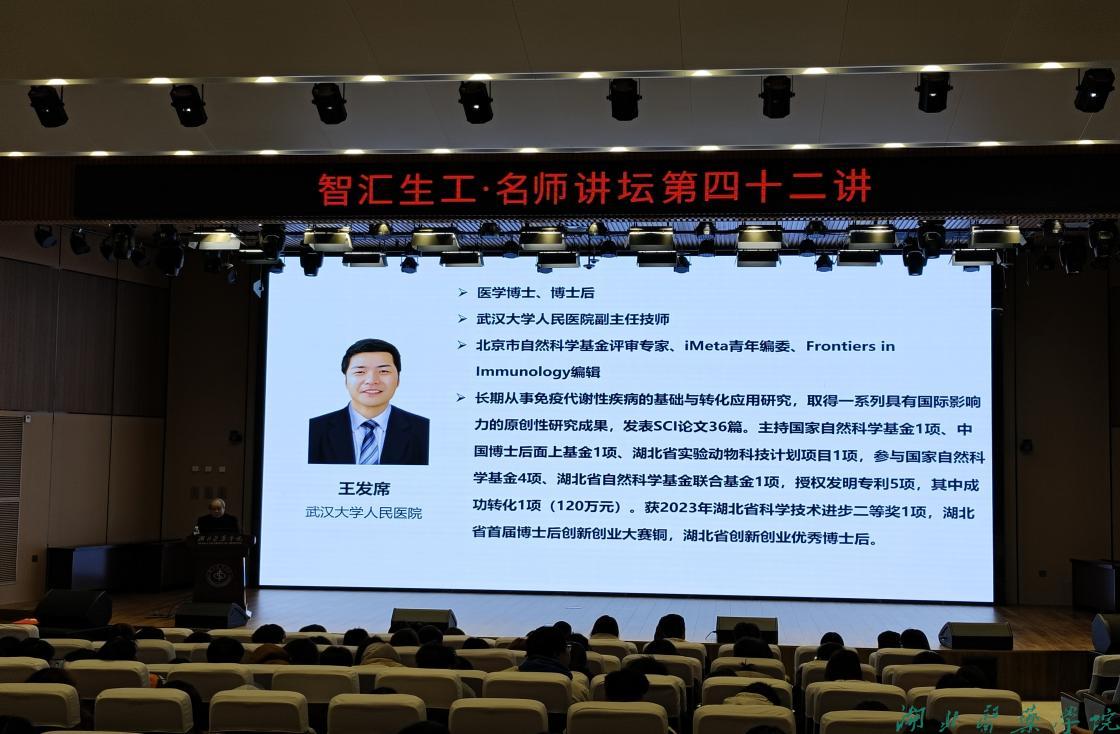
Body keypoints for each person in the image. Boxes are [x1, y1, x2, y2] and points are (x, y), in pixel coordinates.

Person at [308, 339, 430, 465]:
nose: (371, 380)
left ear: (398, 379)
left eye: (383, 371)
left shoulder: (424, 430)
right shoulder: (314, 430)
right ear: (346, 380)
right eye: (360, 372)